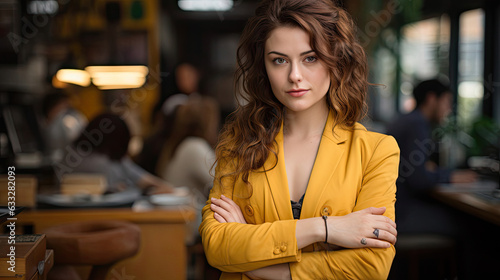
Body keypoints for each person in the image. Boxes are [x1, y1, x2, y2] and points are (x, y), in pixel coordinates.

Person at [199, 0, 400, 279]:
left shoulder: (376, 151)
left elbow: (370, 268)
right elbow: (217, 247)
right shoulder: (238, 142)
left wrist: (262, 268)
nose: (294, 76)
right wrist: (325, 228)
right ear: (264, 66)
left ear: (336, 60)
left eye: (310, 58)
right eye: (279, 60)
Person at [386, 79, 476, 235]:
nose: (448, 109)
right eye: (446, 101)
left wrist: (429, 170)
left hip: (393, 208)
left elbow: (417, 170)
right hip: (401, 214)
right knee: (471, 223)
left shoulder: (406, 119)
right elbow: (419, 179)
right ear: (431, 99)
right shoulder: (417, 124)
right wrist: (451, 176)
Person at [67, 113, 173, 194]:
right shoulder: (100, 163)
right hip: (100, 215)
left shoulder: (111, 156)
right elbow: (119, 191)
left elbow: (140, 177)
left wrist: (164, 187)